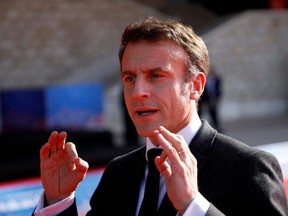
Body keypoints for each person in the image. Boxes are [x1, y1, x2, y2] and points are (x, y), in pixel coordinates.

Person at [33, 17, 288, 216]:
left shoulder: (248, 168)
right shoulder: (119, 172)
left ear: (196, 85)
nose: (138, 92)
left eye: (156, 75)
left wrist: (192, 206)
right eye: (129, 78)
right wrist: (57, 201)